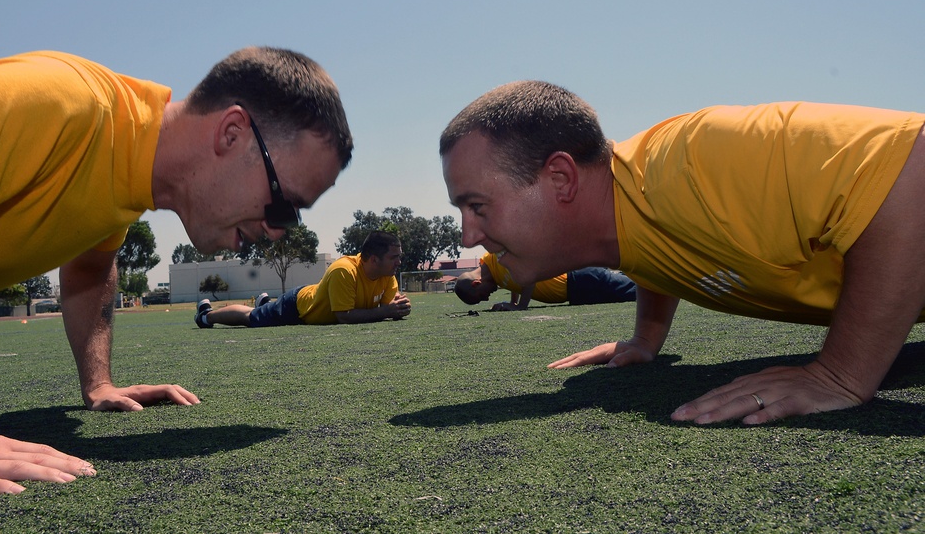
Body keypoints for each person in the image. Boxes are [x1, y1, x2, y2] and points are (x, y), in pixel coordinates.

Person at [0, 47, 353, 493]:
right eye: (287, 206)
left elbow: (90, 268)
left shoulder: (123, 168)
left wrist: (98, 385)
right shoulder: (58, 104)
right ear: (232, 133)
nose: (279, 231)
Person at [439, 80, 925, 426]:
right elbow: (650, 246)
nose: (467, 236)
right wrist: (646, 338)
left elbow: (913, 166)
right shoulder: (622, 214)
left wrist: (841, 373)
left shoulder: (695, 158)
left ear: (561, 178)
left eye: (477, 206)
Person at [195, 231, 411, 327]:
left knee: (259, 313)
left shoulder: (387, 276)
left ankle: (266, 305)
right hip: (298, 308)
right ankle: (206, 316)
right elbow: (344, 317)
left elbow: (385, 311)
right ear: (374, 259)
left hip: (308, 304)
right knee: (250, 318)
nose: (398, 262)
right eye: (394, 257)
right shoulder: (344, 271)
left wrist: (397, 309)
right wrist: (386, 311)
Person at [454, 251, 636, 310]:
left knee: (635, 291)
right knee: (628, 292)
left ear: (476, 283)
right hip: (576, 292)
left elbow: (528, 268)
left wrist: (520, 307)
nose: (486, 298)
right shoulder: (494, 274)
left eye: (481, 297)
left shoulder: (498, 255)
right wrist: (512, 302)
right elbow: (515, 278)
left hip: (579, 278)